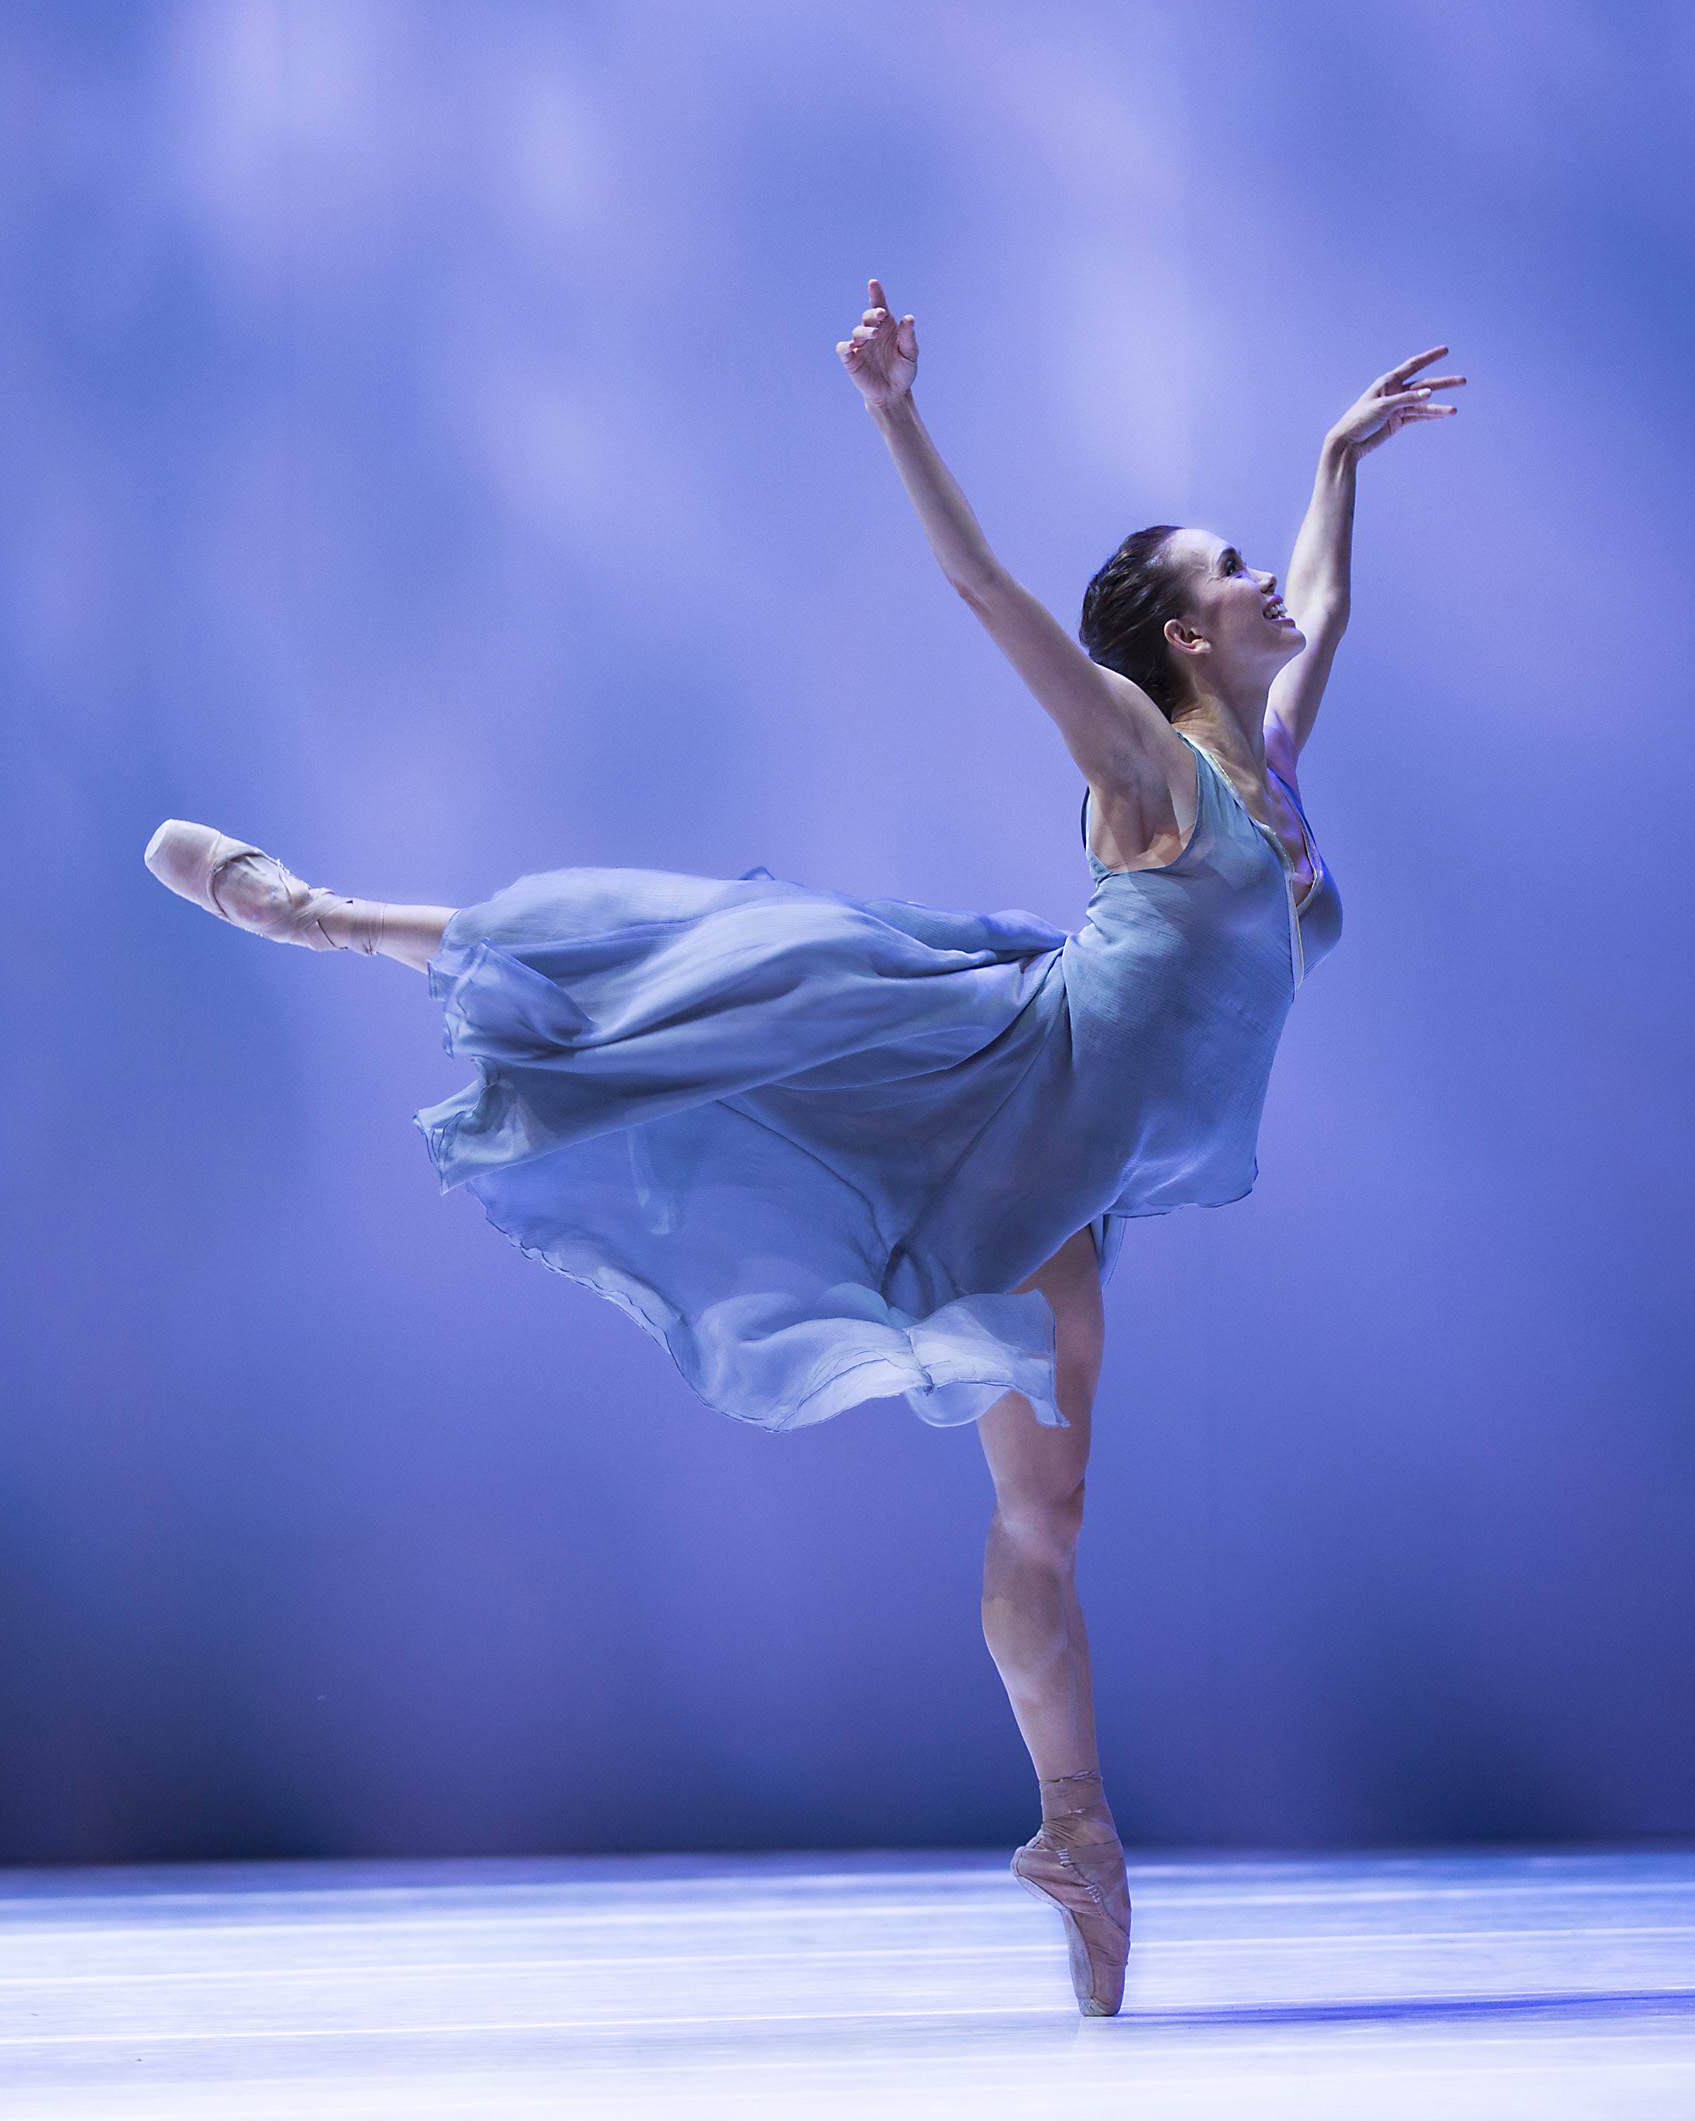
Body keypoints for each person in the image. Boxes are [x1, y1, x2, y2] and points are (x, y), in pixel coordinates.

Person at [144, 280, 1460, 2015]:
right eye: (1236, 570)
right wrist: (897, 413)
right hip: (1006, 1088)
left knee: (1047, 1512)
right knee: (677, 991)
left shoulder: (1275, 764)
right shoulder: (1142, 759)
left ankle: (1074, 1836)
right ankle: (330, 917)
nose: (1269, 580)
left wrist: (1333, 456)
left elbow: (1338, 593)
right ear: (1181, 638)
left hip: (1079, 1163)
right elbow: (986, 590)